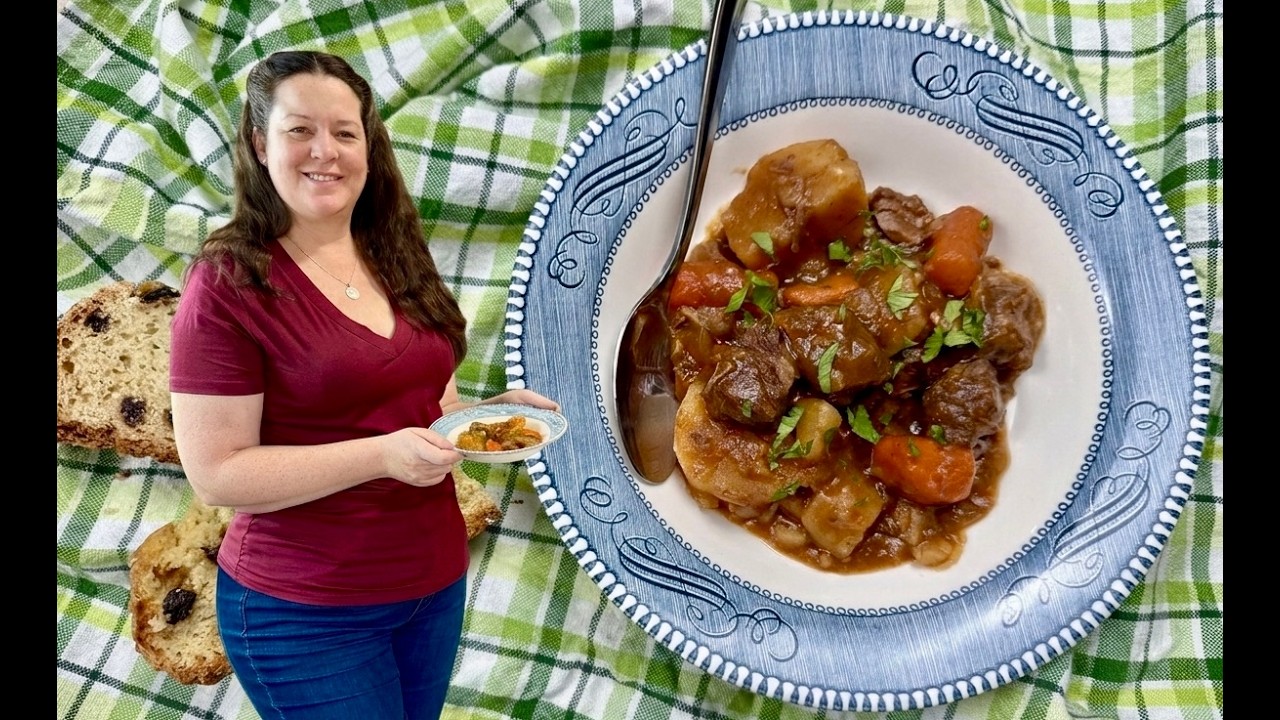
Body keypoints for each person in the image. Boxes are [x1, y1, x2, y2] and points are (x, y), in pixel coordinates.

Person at [168, 50, 557, 720]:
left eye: (345, 133)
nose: (327, 151)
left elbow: (433, 407)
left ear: (368, 149)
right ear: (260, 144)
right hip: (303, 611)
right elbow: (217, 474)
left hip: (431, 588)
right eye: (300, 130)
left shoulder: (395, 253)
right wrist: (381, 456)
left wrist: (491, 417)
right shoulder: (228, 282)